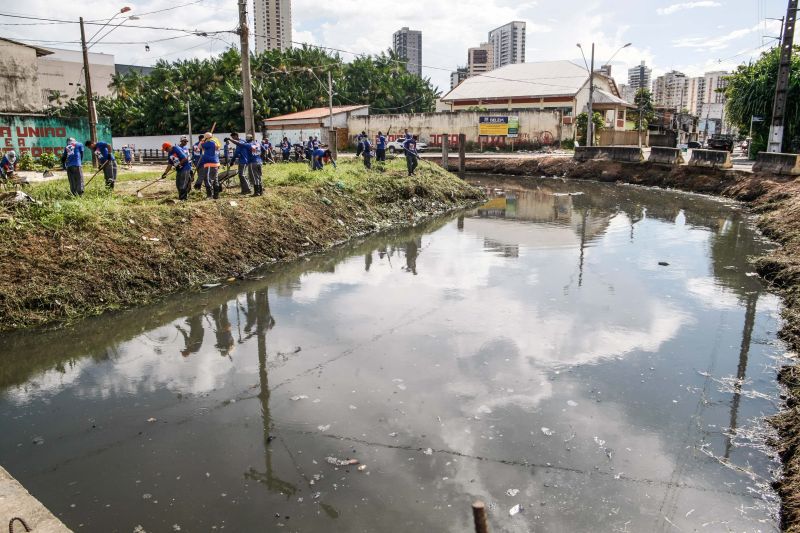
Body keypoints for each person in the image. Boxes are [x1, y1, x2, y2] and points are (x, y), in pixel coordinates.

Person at [198, 132, 222, 199]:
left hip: (209, 163)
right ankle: (216, 195)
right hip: (216, 163)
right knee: (215, 180)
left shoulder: (209, 143)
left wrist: (202, 140)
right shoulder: (216, 143)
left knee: (208, 179)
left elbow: (199, 146)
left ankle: (209, 195)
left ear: (206, 138)